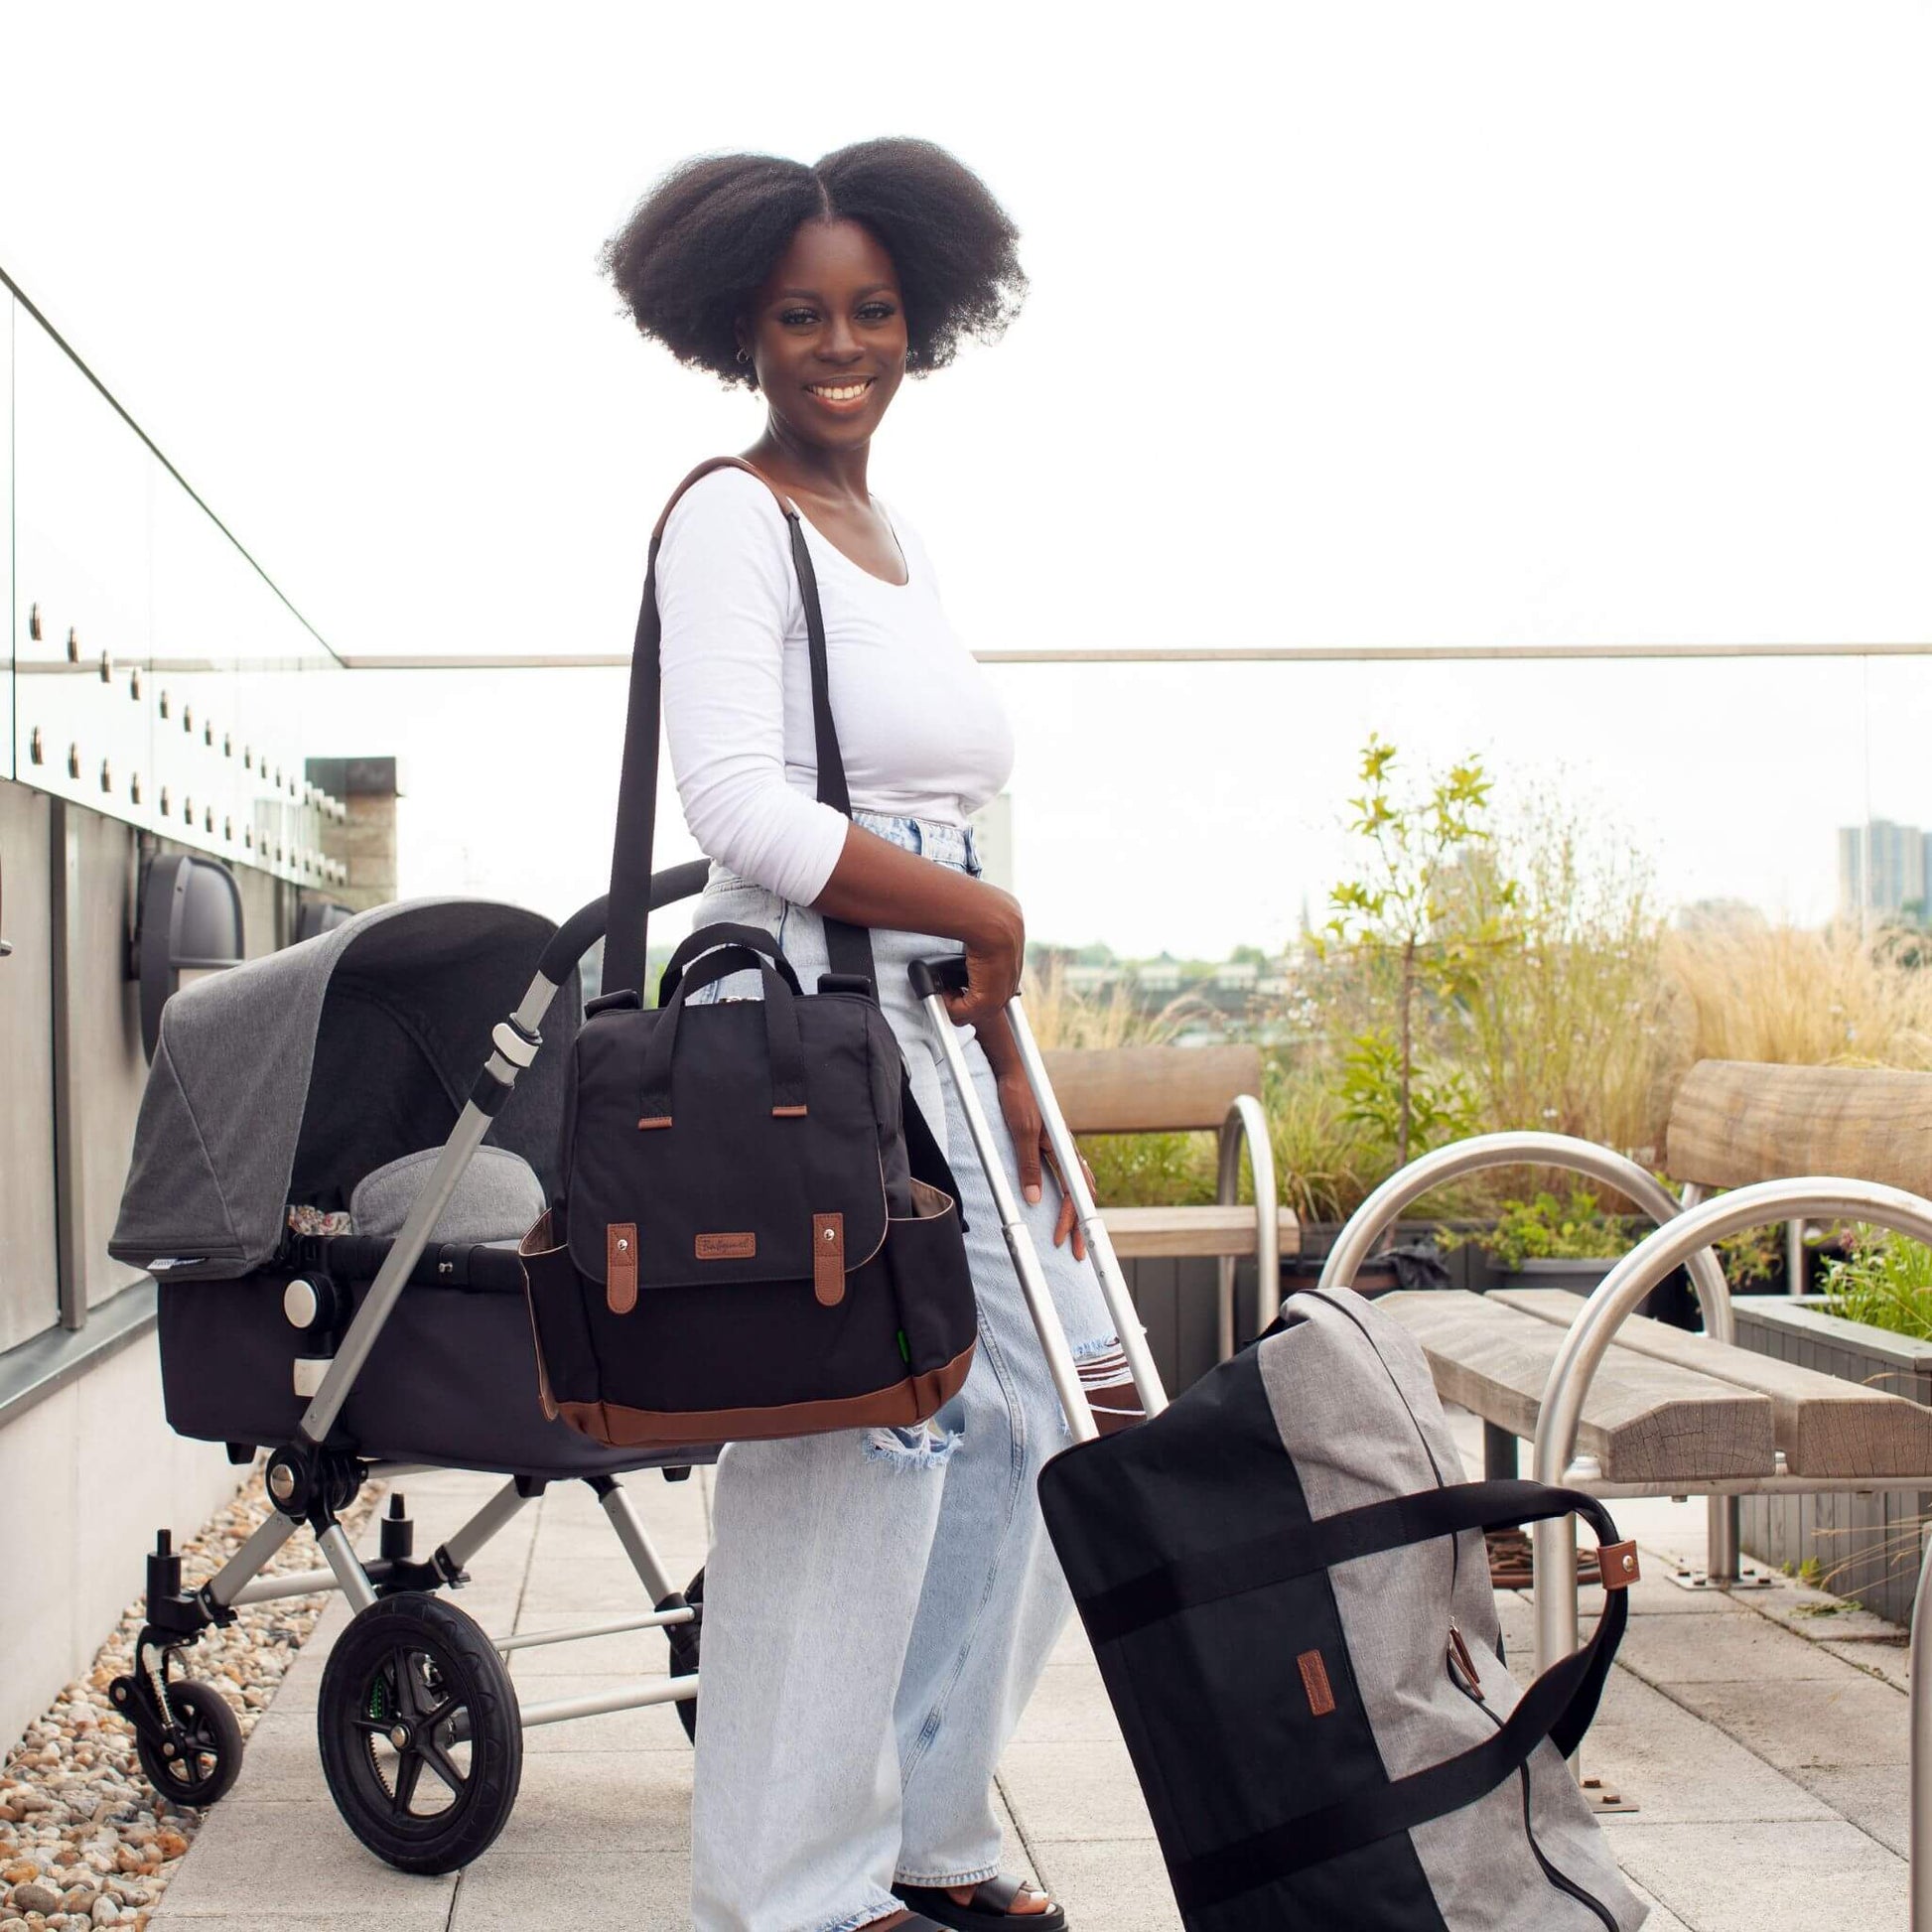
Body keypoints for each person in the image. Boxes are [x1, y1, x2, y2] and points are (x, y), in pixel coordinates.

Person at [602, 138, 1139, 1932]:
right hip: (812, 1033)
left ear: (923, 313)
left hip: (931, 1029)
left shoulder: (891, 539)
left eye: (873, 311)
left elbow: (947, 829)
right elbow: (743, 808)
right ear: (739, 331)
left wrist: (1006, 1056)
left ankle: (930, 1820)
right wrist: (977, 919)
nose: (842, 346)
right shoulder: (726, 519)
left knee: (1042, 1418)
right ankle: (788, 1892)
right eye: (800, 317)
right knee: (850, 1446)